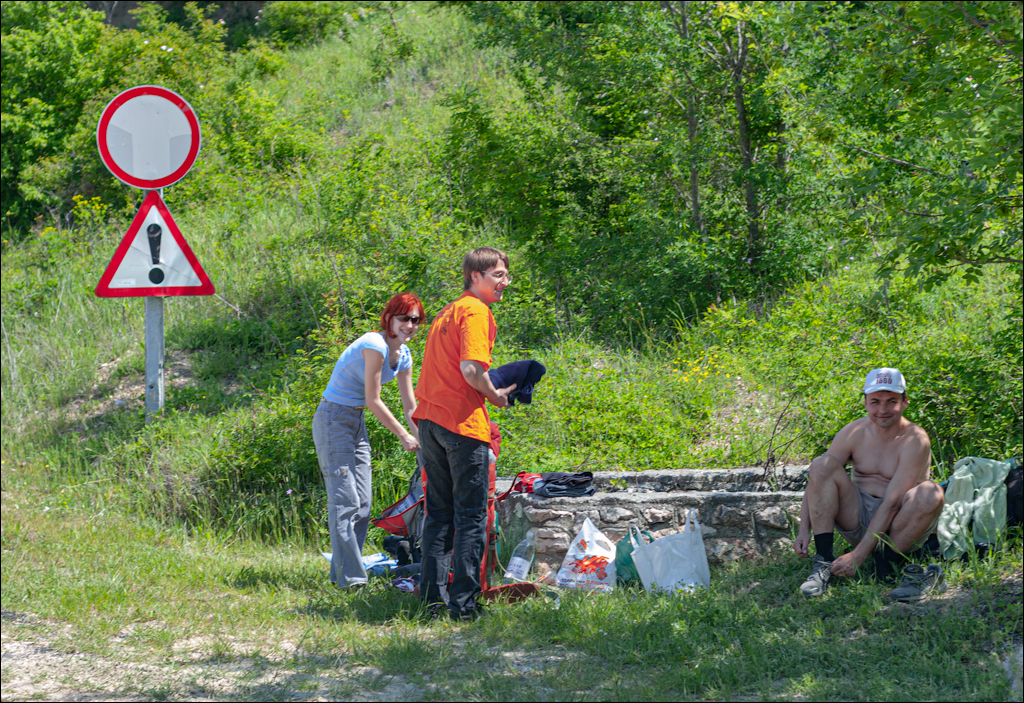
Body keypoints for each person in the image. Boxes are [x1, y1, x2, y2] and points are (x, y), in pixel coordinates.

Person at [412, 247, 517, 620]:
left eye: (506, 275)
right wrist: (497, 396)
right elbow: (472, 370)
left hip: (430, 423)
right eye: (498, 275)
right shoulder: (475, 311)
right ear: (476, 276)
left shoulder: (448, 311)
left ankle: (432, 602)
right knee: (471, 517)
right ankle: (464, 606)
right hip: (460, 424)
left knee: (439, 514)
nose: (506, 282)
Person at [794, 368, 946, 601]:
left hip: (899, 525)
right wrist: (804, 529)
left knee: (931, 492)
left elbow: (893, 503)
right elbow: (818, 478)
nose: (883, 410)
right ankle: (823, 561)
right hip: (858, 516)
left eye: (891, 401)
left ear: (905, 401)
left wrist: (858, 555)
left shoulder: (915, 439)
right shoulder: (854, 431)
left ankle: (884, 559)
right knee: (822, 464)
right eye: (875, 402)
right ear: (865, 402)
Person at [312, 293, 423, 588]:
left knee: (363, 504)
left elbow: (410, 406)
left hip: (355, 422)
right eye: (403, 318)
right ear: (388, 319)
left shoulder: (405, 356)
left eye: (415, 320)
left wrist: (423, 440)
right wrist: (403, 435)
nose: (409, 325)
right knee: (345, 502)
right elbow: (373, 400)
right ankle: (351, 580)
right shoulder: (374, 344)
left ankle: (343, 573)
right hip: (333, 419)